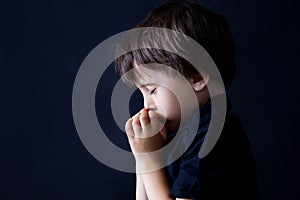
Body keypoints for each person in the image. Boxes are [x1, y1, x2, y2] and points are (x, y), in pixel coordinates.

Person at [115, 0, 259, 199]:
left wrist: (150, 160)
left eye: (152, 90)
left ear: (197, 77)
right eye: (142, 93)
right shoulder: (180, 133)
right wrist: (143, 154)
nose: (147, 105)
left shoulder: (213, 140)